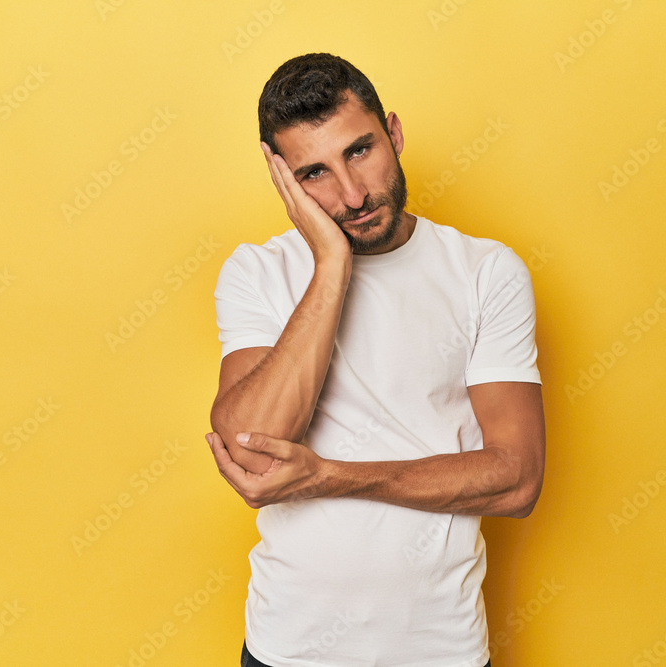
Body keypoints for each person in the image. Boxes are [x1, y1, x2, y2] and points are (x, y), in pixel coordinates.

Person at [207, 52, 545, 667]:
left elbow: (517, 478)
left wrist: (330, 476)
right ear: (284, 183)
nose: (352, 194)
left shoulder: (485, 272)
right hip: (289, 650)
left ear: (393, 131)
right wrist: (332, 264)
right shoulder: (257, 272)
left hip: (440, 650)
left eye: (359, 150)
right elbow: (253, 453)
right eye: (315, 173)